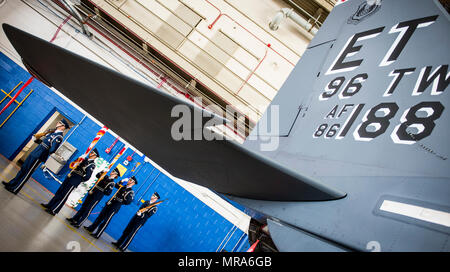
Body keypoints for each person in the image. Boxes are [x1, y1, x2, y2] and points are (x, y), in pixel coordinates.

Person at [2, 119, 69, 194]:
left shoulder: (59, 137)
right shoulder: (52, 133)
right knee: (23, 169)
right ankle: (12, 183)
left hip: (39, 155)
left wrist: (47, 149)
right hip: (35, 152)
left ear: (63, 127)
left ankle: (15, 188)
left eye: (60, 123)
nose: (57, 123)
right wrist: (36, 140)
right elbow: (43, 143)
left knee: (27, 172)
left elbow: (52, 150)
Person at [41, 148, 99, 216]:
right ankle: (50, 205)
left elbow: (87, 177)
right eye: (91, 152)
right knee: (60, 192)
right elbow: (73, 165)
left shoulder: (92, 165)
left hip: (75, 180)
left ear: (95, 156)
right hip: (70, 176)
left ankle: (54, 210)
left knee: (64, 195)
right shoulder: (84, 159)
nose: (90, 153)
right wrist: (79, 160)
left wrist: (79, 179)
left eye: (92, 153)